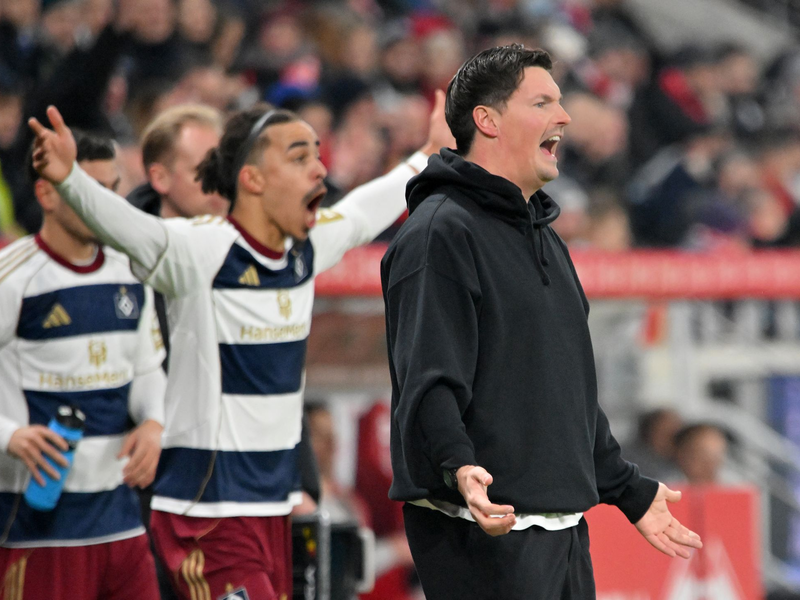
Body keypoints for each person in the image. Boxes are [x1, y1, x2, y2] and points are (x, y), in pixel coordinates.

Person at [28, 92, 453, 599]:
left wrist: (426, 154)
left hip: (271, 511)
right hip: (208, 516)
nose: (319, 170)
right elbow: (131, 229)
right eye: (298, 158)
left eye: (317, 155)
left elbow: (364, 211)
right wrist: (70, 180)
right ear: (252, 179)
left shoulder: (303, 251)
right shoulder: (200, 250)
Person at [381, 44, 703, 600]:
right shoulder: (441, 233)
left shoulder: (545, 237)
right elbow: (427, 378)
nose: (565, 116)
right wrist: (458, 466)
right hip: (482, 534)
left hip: (563, 533)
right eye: (543, 102)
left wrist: (626, 488)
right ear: (487, 120)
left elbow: (567, 390)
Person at [0, 130, 166, 599]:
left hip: (121, 520)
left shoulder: (131, 272)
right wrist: (9, 435)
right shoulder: (13, 280)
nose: (107, 205)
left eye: (111, 190)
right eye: (90, 191)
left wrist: (154, 422)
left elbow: (148, 370)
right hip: (36, 526)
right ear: (47, 191)